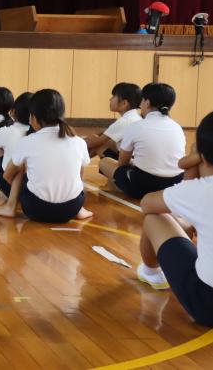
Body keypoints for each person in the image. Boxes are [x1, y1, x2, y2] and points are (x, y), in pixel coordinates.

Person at [135, 111, 213, 327]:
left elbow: (147, 204)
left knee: (153, 218)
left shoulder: (203, 190)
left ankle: (151, 272)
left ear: (203, 157)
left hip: (207, 303)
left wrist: (194, 173)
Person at [0, 89, 93, 222]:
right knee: (77, 165)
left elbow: (7, 176)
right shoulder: (78, 141)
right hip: (71, 208)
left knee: (20, 166)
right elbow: (79, 174)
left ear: (34, 117)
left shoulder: (28, 141)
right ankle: (80, 209)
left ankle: (10, 206)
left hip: (37, 209)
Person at [98, 83, 185, 199]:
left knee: (105, 162)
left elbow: (122, 163)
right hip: (174, 185)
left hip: (145, 185)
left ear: (147, 103)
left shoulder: (137, 126)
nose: (140, 104)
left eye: (142, 100)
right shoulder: (177, 127)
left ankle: (121, 188)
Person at [0, 92, 32, 198]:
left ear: (13, 112)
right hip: (32, 190)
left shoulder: (7, 131)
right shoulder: (40, 134)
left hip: (8, 185)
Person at [86, 82, 142, 159]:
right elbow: (105, 134)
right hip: (134, 158)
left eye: (113, 96)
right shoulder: (135, 116)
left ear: (124, 103)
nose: (110, 99)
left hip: (127, 163)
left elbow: (98, 142)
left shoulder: (125, 121)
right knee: (104, 140)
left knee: (96, 142)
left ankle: (77, 162)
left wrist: (77, 142)